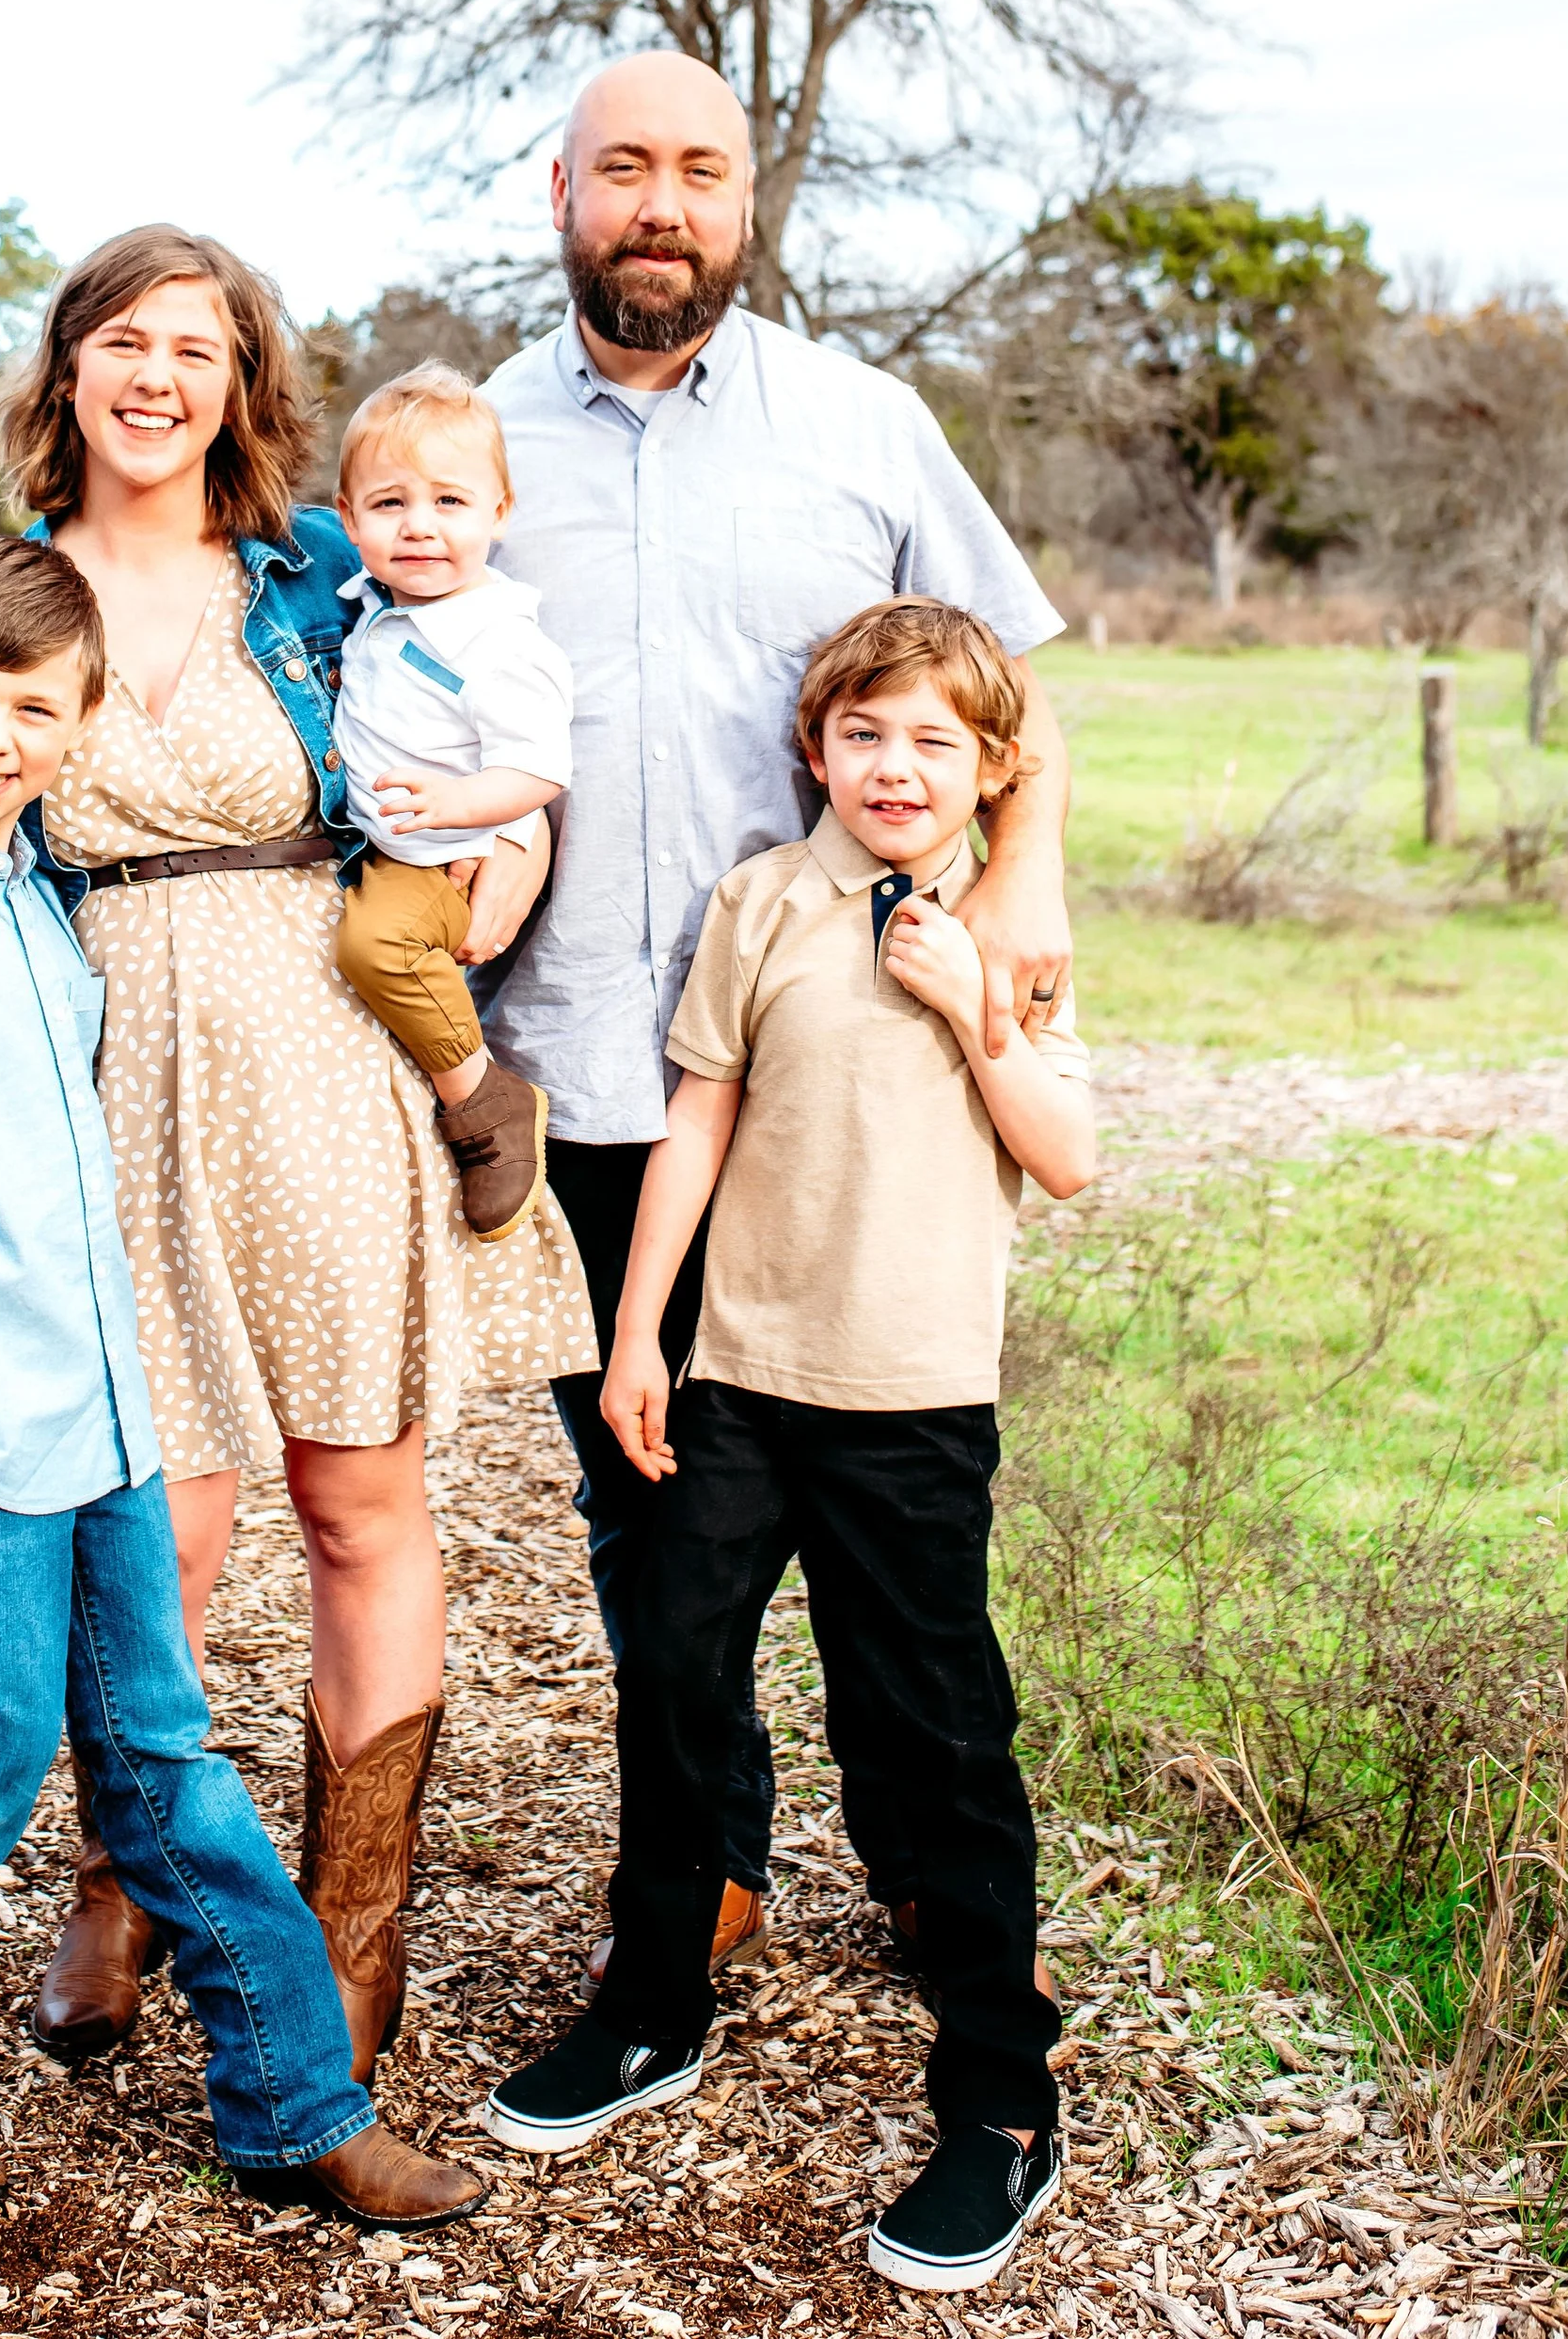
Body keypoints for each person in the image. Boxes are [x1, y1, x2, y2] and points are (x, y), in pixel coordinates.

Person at [0, 230, 594, 2092]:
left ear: (243, 381)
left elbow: (498, 739)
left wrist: (510, 869)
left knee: (355, 1499)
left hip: (320, 1069)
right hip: (84, 1087)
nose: (160, 375)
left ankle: (350, 1919)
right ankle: (121, 1879)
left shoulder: (321, 572)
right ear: (69, 370)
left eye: (200, 345)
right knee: (150, 1533)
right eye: (126, 341)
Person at [0, 535, 483, 2229]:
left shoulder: (31, 895)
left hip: (101, 1416)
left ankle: (296, 2104)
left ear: (82, 725)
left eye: (36, 707)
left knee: (165, 1755)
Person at [467, 50, 1076, 1975]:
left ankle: (915, 1849)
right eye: (621, 168)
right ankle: (706, 1863)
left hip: (835, 1063)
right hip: (578, 1063)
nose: (661, 204)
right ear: (555, 191)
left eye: (699, 173)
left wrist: (1024, 876)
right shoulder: (470, 448)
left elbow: (1010, 704)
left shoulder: (861, 423)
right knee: (652, 1500)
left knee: (887, 1500)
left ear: (747, 202)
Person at [483, 597, 1094, 2296]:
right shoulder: (761, 903)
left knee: (931, 1724)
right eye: (866, 735)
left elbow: (1069, 1155)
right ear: (814, 749)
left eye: (937, 744)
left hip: (909, 1402)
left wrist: (976, 1004)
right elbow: (698, 1123)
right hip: (737, 1378)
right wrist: (637, 1342)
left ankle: (997, 2096)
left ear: (990, 771)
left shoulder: (1011, 933)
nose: (898, 769)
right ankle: (651, 2006)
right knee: (676, 1676)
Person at [330, 362, 575, 1242]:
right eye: (390, 505)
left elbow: (540, 769)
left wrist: (462, 804)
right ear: (348, 519)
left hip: (443, 853)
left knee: (377, 946)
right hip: (386, 844)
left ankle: (484, 1101)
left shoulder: (498, 639)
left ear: (499, 513)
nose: (420, 527)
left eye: (450, 502)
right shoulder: (370, 606)